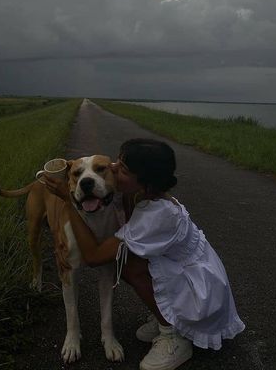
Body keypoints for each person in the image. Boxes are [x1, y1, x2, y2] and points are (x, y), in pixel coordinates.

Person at [45, 138, 245, 370]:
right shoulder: (142, 195)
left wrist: (69, 203)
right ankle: (169, 317)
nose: (112, 168)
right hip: (190, 274)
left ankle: (172, 335)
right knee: (127, 257)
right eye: (117, 162)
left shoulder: (156, 217)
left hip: (201, 295)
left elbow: (94, 257)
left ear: (145, 184)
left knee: (126, 262)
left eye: (123, 169)